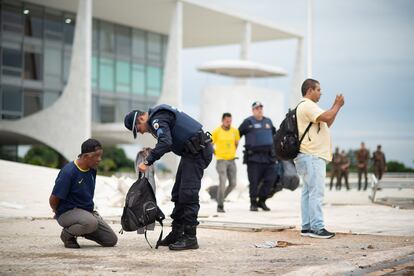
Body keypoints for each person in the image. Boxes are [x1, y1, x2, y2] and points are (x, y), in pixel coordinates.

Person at [124, 104, 213, 251]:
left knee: (188, 194)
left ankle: (190, 237)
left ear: (141, 118)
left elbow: (166, 142)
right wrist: (153, 151)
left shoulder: (157, 119)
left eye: (138, 129)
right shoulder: (158, 118)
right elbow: (167, 139)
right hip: (190, 153)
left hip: (197, 152)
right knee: (178, 193)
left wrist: (147, 162)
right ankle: (177, 232)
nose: (140, 133)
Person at [294, 78, 344, 239]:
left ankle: (307, 227)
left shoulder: (307, 107)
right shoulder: (308, 105)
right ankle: (317, 227)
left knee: (308, 192)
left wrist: (335, 109)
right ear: (309, 90)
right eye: (318, 89)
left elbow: (326, 122)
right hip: (312, 155)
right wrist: (337, 105)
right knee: (316, 192)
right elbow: (328, 116)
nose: (321, 93)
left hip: (307, 155)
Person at [49, 139, 118, 249]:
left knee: (111, 240)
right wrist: (57, 211)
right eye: (96, 156)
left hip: (86, 213)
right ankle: (67, 234)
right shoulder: (68, 172)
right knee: (91, 223)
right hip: (66, 212)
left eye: (100, 156)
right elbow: (53, 199)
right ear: (85, 156)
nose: (99, 159)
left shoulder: (92, 170)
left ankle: (83, 228)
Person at [238, 101, 277, 212]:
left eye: (261, 108)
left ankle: (262, 200)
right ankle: (253, 203)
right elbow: (236, 135)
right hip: (254, 158)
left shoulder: (268, 121)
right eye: (257, 108)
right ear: (253, 110)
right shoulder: (248, 122)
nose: (259, 110)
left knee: (270, 179)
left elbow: (275, 135)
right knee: (254, 181)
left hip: (269, 157)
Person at [211, 113, 240, 213]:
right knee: (222, 181)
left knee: (233, 183)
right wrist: (216, 154)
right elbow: (210, 144)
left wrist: (232, 152)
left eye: (230, 121)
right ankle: (220, 205)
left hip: (232, 160)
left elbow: (236, 143)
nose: (229, 123)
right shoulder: (216, 131)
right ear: (222, 120)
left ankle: (220, 198)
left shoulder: (235, 131)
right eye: (227, 121)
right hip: (221, 161)